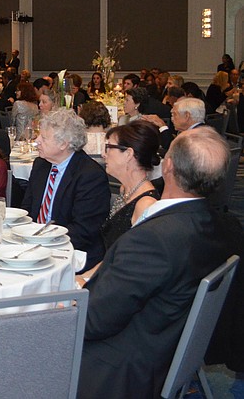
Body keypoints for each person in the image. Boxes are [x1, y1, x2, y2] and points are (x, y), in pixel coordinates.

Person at [78, 127, 235, 399]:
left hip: (116, 368)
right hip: (162, 346)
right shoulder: (220, 226)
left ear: (168, 166)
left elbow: (93, 320)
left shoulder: (153, 239)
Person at [20, 109, 110, 270]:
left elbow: (84, 231)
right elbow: (27, 210)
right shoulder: (41, 165)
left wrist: (41, 241)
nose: (37, 141)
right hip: (34, 248)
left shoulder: (90, 176)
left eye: (44, 138)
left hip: (71, 253)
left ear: (63, 144)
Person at [98, 120, 160, 250]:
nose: (103, 154)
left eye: (108, 147)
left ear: (128, 154)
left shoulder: (145, 205)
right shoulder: (125, 189)